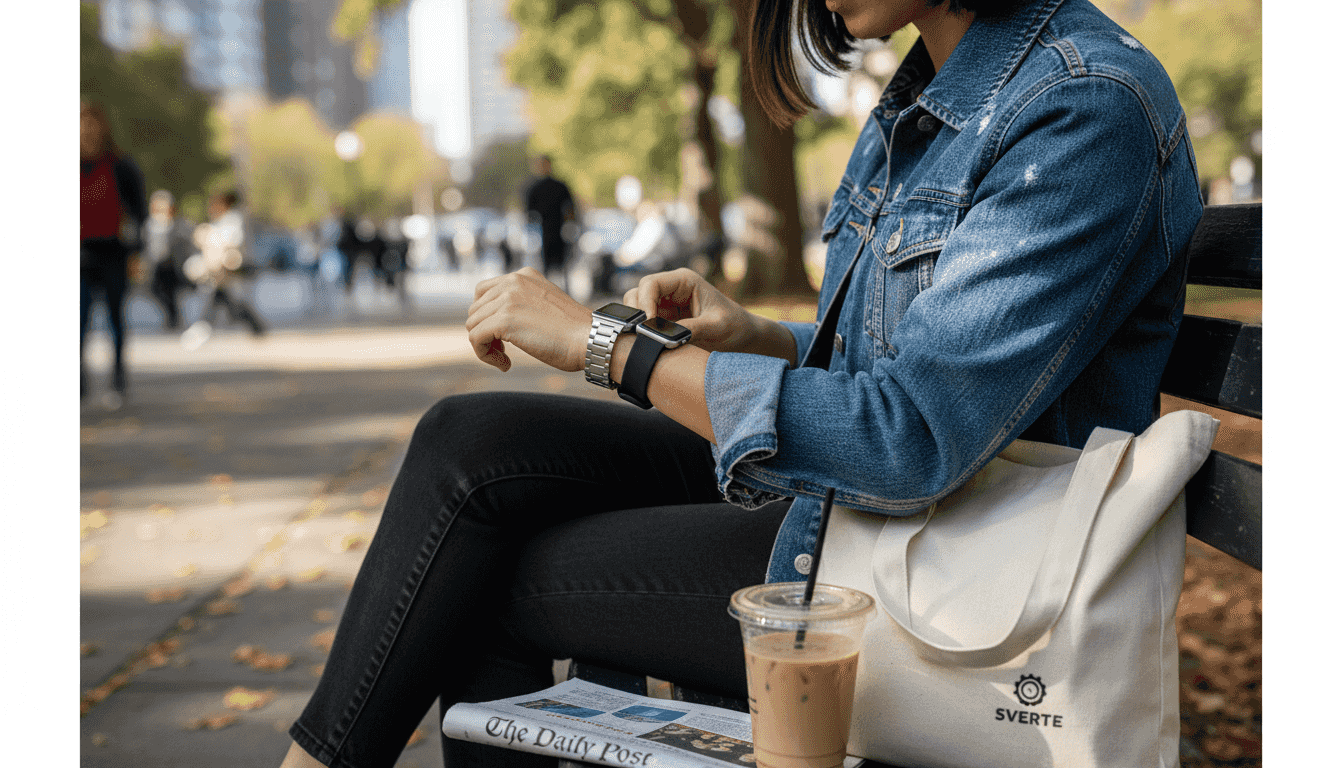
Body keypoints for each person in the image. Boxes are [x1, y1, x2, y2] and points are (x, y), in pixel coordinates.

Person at [279, 0, 1203, 766]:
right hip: (863, 514)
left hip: (940, 564)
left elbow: (910, 439)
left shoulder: (1083, 108)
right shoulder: (928, 96)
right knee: (469, 444)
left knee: (488, 580)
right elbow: (918, 370)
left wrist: (611, 348)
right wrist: (758, 337)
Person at [80, 100, 148, 399]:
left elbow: (139, 212)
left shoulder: (120, 165)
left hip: (113, 251)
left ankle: (118, 377)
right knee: (77, 319)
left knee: (115, 318)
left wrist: (135, 248)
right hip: (78, 253)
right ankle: (77, 380)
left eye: (92, 121)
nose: (86, 128)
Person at [188, 191, 267, 338]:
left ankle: (202, 327)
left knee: (229, 302)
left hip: (231, 269)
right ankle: (256, 328)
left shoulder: (233, 221)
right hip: (218, 272)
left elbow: (233, 243)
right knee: (221, 299)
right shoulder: (217, 223)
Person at [142, 190, 195, 330]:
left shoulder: (176, 223)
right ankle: (173, 316)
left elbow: (186, 240)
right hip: (155, 264)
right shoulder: (150, 224)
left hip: (171, 264)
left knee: (171, 292)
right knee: (155, 290)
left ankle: (174, 318)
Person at [523, 154, 577, 291]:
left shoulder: (559, 186)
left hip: (559, 231)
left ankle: (564, 294)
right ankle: (546, 293)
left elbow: (570, 209)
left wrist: (570, 227)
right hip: (542, 233)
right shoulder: (534, 188)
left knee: (562, 267)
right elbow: (529, 214)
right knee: (543, 268)